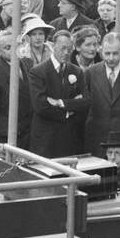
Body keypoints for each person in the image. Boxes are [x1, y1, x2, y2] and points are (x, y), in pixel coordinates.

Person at [81, 32, 120, 156]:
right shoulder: (90, 73)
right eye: (107, 53)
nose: (111, 58)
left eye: (115, 53)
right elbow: (86, 105)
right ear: (101, 52)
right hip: (97, 139)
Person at [28, 29, 88, 158]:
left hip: (70, 138)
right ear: (53, 46)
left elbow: (85, 102)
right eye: (62, 48)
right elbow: (40, 106)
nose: (66, 53)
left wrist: (61, 103)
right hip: (46, 139)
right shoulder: (38, 72)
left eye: (70, 49)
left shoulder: (77, 71)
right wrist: (69, 111)